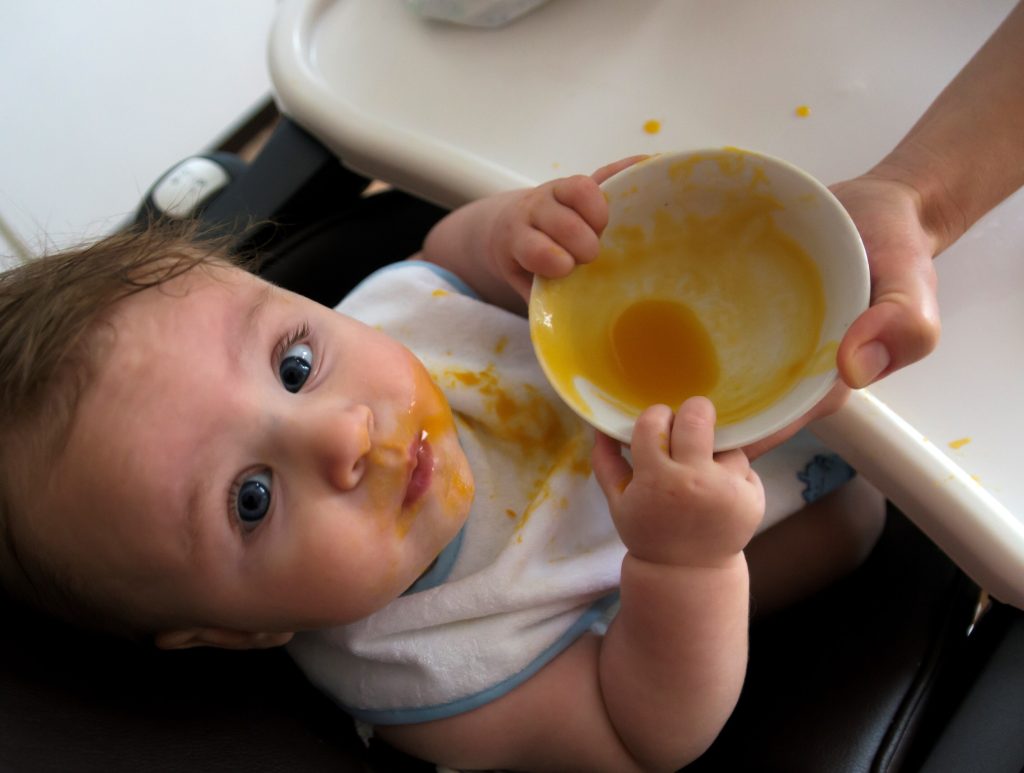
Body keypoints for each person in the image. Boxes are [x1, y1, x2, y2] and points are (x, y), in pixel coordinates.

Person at [0, 148, 884, 772]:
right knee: (862, 522)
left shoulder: (387, 320)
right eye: (253, 499)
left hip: (759, 344)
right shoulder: (429, 672)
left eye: (294, 365)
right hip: (767, 521)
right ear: (235, 633)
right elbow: (639, 737)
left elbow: (440, 264)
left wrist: (510, 234)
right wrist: (685, 563)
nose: (341, 435)